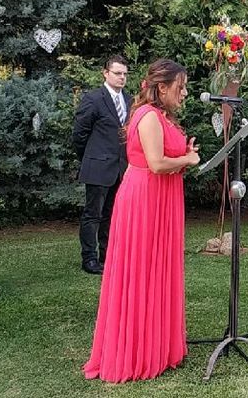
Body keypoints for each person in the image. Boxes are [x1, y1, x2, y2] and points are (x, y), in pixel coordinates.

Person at [84, 58, 199, 383]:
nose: (185, 93)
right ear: (161, 88)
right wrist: (187, 158)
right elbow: (157, 163)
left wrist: (183, 155)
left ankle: (157, 346)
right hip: (145, 199)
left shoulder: (161, 116)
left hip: (161, 198)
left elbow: (165, 158)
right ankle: (135, 351)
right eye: (180, 87)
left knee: (157, 269)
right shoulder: (147, 116)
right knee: (141, 271)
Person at [72, 55, 133, 274]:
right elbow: (79, 134)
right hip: (97, 166)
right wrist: (89, 157)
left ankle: (109, 255)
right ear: (105, 73)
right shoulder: (93, 98)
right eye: (118, 73)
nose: (122, 77)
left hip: (120, 168)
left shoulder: (129, 99)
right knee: (93, 214)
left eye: (125, 74)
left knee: (113, 214)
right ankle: (89, 258)